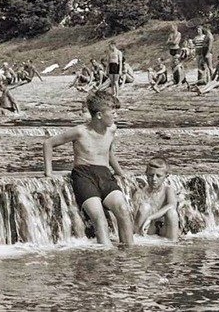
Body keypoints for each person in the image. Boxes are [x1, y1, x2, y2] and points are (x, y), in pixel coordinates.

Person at [43, 90, 134, 246]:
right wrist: (48, 172)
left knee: (123, 210)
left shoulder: (112, 129)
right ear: (99, 115)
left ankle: (129, 252)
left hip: (105, 175)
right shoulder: (80, 131)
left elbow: (109, 152)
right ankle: (106, 256)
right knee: (99, 218)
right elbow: (48, 143)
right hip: (83, 176)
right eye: (113, 113)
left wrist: (120, 173)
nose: (116, 116)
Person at [132, 158, 179, 241]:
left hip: (164, 228)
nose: (154, 179)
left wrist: (150, 218)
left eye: (158, 176)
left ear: (166, 176)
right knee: (144, 207)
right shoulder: (140, 192)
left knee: (172, 213)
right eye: (150, 175)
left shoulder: (168, 190)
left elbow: (172, 205)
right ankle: (138, 239)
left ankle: (173, 244)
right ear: (146, 174)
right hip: (148, 229)